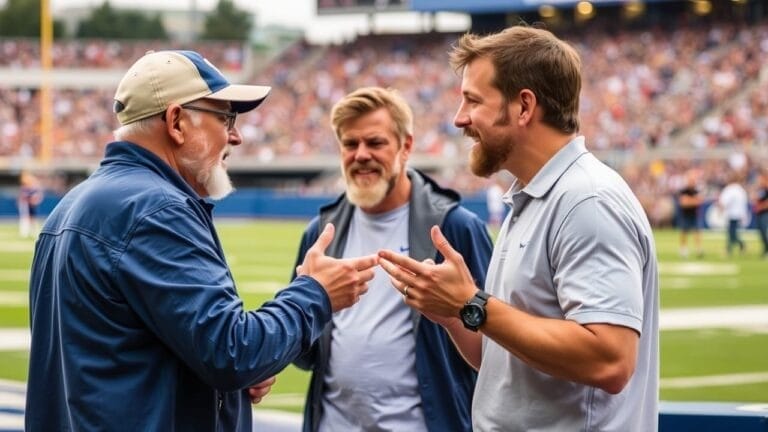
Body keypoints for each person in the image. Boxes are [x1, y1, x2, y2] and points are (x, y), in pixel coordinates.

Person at [25, 50, 378, 431]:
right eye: (226, 117)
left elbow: (123, 356)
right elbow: (232, 352)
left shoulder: (70, 206)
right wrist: (317, 293)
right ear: (176, 122)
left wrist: (222, 386)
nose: (237, 135)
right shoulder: (157, 208)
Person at [378, 26, 659, 431]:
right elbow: (501, 358)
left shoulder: (586, 201)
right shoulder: (533, 198)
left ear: (524, 106)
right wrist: (452, 312)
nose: (459, 119)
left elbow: (610, 359)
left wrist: (473, 304)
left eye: (473, 100)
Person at [291, 86, 493, 432]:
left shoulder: (455, 228)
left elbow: (498, 344)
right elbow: (303, 352)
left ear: (406, 147)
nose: (361, 154)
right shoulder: (320, 232)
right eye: (350, 144)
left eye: (376, 142)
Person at [718, 171, 749, 257]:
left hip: (732, 214)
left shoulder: (730, 189)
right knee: (731, 233)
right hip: (738, 214)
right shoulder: (741, 190)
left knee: (732, 233)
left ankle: (737, 246)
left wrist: (720, 210)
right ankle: (732, 248)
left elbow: (723, 202)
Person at [677, 169, 704, 258]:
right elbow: (683, 203)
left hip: (694, 214)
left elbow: (699, 201)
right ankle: (683, 249)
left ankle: (698, 249)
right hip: (686, 214)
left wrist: (689, 201)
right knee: (684, 232)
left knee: (697, 232)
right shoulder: (684, 190)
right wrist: (693, 201)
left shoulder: (696, 190)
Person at [17, 171, 43, 238]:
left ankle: (33, 231)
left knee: (33, 218)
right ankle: (25, 233)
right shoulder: (24, 188)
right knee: (25, 218)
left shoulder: (34, 187)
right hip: (25, 205)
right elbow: (22, 197)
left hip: (32, 205)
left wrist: (35, 200)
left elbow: (38, 196)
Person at [755, 170, 768, 258]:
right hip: (759, 213)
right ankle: (765, 249)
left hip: (765, 213)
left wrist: (762, 207)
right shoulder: (761, 189)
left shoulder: (766, 189)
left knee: (764, 231)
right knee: (761, 232)